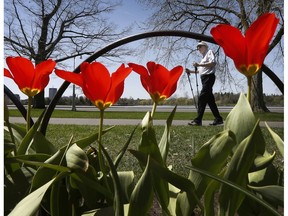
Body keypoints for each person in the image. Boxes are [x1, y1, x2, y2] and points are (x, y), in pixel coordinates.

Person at [186, 41, 223, 126]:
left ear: (205, 46)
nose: (198, 48)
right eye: (197, 47)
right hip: (204, 78)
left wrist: (199, 64)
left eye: (200, 46)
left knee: (202, 97)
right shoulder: (203, 58)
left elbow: (213, 63)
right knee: (210, 101)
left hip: (209, 77)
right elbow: (201, 71)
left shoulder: (209, 52)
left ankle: (198, 120)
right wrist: (191, 71)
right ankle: (218, 119)